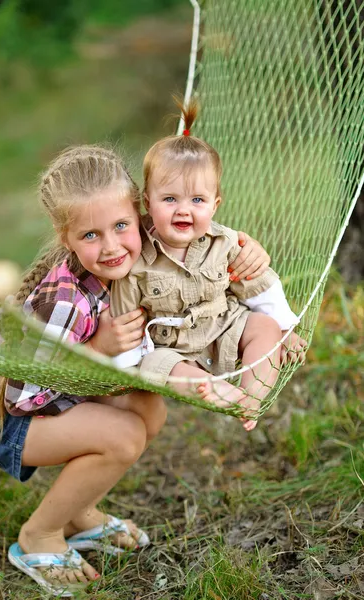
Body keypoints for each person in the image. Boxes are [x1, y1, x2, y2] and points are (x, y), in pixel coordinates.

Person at [0, 144, 270, 596]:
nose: (111, 246)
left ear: (141, 214)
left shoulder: (147, 242)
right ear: (65, 235)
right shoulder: (64, 302)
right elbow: (21, 398)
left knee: (148, 411)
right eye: (90, 235)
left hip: (41, 390)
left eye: (121, 226)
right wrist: (98, 349)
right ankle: (39, 536)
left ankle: (78, 511)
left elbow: (201, 234)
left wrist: (250, 252)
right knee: (122, 434)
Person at [110, 102, 307, 431]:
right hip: (173, 350)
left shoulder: (225, 243)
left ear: (215, 205)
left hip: (225, 327)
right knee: (157, 366)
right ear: (148, 202)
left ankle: (252, 397)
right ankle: (219, 392)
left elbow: (259, 283)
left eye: (197, 201)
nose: (183, 210)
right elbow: (124, 317)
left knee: (264, 329)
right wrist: (122, 368)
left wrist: (284, 324)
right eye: (170, 199)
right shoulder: (136, 260)